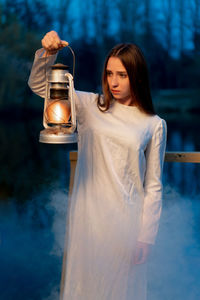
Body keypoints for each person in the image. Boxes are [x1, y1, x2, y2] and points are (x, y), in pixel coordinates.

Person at [28, 31, 167, 300]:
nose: (113, 82)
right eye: (109, 73)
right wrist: (48, 53)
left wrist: (146, 237)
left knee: (121, 289)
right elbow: (40, 87)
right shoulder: (91, 106)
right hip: (88, 214)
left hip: (126, 221)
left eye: (122, 75)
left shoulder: (153, 124)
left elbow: (153, 186)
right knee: (84, 286)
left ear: (137, 76)